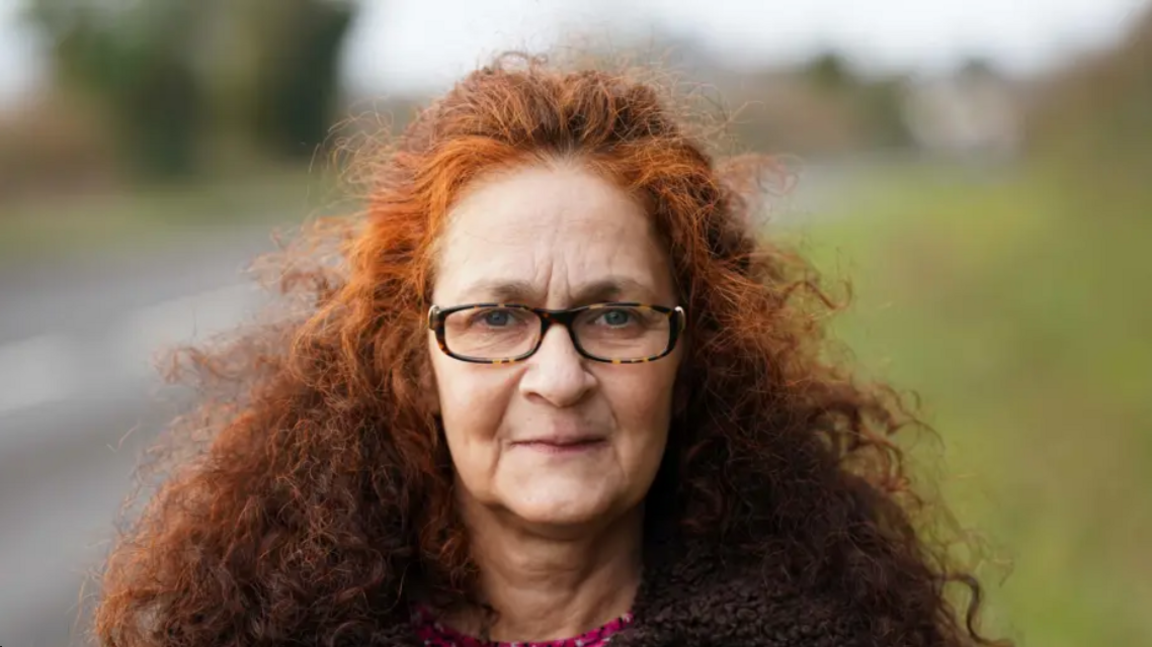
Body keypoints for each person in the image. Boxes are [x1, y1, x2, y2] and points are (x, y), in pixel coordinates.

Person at [92, 54, 1009, 647]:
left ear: (694, 356)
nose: (561, 379)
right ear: (415, 360)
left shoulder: (835, 631)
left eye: (616, 318)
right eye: (496, 319)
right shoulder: (258, 629)